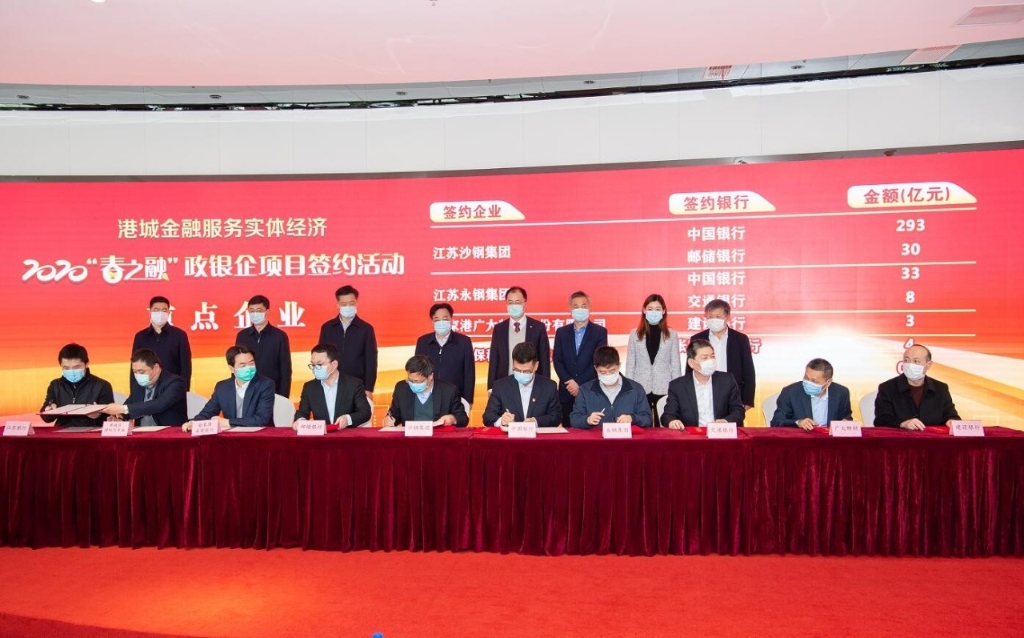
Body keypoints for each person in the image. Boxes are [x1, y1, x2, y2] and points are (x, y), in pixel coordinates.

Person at [182, 345, 275, 432]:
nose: (248, 368)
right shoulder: (222, 387)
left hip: (260, 435)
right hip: (231, 437)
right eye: (243, 365)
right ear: (232, 368)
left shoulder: (265, 385)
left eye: (251, 363)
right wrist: (193, 423)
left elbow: (261, 419)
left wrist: (228, 422)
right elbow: (208, 412)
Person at [688, 299, 756, 411]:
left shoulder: (740, 339)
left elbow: (748, 371)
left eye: (718, 316)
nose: (713, 319)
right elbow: (690, 369)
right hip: (703, 391)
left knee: (732, 422)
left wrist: (747, 400)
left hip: (733, 393)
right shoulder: (697, 338)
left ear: (727, 317)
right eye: (710, 316)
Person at [552, 291, 608, 427]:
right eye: (576, 306)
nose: (580, 309)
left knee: (590, 430)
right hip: (566, 390)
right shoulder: (561, 332)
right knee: (567, 430)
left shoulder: (600, 332)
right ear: (570, 309)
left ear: (590, 308)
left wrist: (579, 384)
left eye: (583, 306)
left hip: (589, 389)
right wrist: (570, 382)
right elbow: (557, 359)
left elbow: (598, 361)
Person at [661, 339, 745, 428]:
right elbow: (667, 415)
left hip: (719, 433)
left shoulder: (727, 380)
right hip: (692, 435)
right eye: (705, 358)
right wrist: (672, 421)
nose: (710, 361)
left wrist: (725, 422)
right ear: (691, 363)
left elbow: (738, 411)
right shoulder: (677, 386)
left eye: (712, 356)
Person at [874, 344, 960, 429]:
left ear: (928, 365)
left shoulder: (940, 388)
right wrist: (903, 423)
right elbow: (881, 419)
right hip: (901, 437)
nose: (910, 365)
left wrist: (951, 421)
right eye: (906, 360)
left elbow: (952, 416)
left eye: (916, 361)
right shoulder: (887, 388)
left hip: (932, 437)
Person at [624, 293, 681, 419]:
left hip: (664, 386)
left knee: (665, 422)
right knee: (643, 423)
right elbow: (630, 364)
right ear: (644, 310)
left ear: (663, 311)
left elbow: (675, 364)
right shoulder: (634, 334)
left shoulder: (672, 334)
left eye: (657, 309)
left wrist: (677, 389)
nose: (653, 312)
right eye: (650, 309)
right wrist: (629, 388)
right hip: (640, 386)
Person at [96, 348, 187, 426]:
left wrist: (123, 409)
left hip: (170, 434)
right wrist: (119, 418)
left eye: (141, 372)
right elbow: (131, 404)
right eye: (135, 372)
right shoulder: (138, 385)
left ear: (156, 368)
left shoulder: (175, 383)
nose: (138, 376)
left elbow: (160, 404)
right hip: (142, 433)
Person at [317, 285, 378, 401]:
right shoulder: (327, 328)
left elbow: (371, 361)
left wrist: (369, 388)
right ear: (338, 304)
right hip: (330, 383)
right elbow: (320, 357)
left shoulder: (366, 329)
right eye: (344, 304)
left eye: (351, 303)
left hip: (357, 385)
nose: (348, 307)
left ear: (356, 303)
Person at [293, 343, 373, 429]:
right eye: (313, 365)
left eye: (319, 364)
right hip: (322, 435)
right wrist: (300, 420)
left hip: (346, 434)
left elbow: (365, 412)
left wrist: (347, 419)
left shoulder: (354, 384)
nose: (315, 368)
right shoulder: (309, 387)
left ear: (334, 364)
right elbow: (302, 412)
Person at [570, 346, 653, 428]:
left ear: (619, 365)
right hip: (597, 436)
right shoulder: (585, 390)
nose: (608, 375)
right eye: (603, 372)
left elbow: (647, 419)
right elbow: (574, 419)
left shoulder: (636, 389)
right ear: (595, 368)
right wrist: (587, 420)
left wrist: (632, 418)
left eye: (612, 371)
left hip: (626, 436)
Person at [483, 343, 562, 427]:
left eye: (526, 371)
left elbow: (556, 417)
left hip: (537, 435)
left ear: (536, 366)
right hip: (510, 435)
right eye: (517, 370)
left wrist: (536, 421)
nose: (521, 374)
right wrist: (501, 420)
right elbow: (488, 417)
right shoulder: (500, 386)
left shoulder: (549, 387)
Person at [487, 286, 550, 391]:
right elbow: (494, 360)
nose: (514, 306)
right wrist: (491, 387)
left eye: (517, 302)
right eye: (510, 303)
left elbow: (544, 360)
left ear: (525, 303)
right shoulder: (499, 329)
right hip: (505, 384)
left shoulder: (538, 328)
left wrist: (545, 386)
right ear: (506, 304)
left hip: (532, 383)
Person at [40, 343, 115, 428]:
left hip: (91, 432)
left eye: (76, 367)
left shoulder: (102, 385)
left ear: (86, 364)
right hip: (62, 432)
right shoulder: (55, 385)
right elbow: (46, 418)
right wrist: (49, 412)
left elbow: (111, 417)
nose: (71, 371)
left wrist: (98, 415)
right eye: (66, 368)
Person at [414, 303, 476, 406]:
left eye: (445, 319)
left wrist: (468, 400)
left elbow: (469, 373)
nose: (441, 323)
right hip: (427, 397)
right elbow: (417, 371)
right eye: (437, 320)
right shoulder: (423, 342)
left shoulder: (464, 342)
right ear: (432, 322)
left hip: (455, 398)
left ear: (451, 320)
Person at [383, 355, 469, 428]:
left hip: (438, 439)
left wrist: (452, 418)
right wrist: (390, 420)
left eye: (418, 381)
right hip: (410, 439)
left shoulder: (448, 391)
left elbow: (463, 418)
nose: (413, 384)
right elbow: (394, 414)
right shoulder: (401, 388)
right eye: (410, 380)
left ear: (430, 376)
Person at [130, 296, 192, 390]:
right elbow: (134, 365)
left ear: (169, 313)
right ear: (150, 312)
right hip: (146, 388)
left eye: (164, 310)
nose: (160, 313)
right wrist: (134, 391)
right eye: (156, 310)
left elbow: (185, 367)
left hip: (172, 387)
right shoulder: (140, 336)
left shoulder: (179, 335)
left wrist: (183, 390)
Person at [235, 294, 292, 397]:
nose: (255, 314)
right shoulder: (242, 336)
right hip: (247, 390)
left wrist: (283, 397)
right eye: (252, 311)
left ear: (267, 311)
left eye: (259, 310)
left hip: (272, 391)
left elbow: (285, 369)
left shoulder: (279, 336)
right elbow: (236, 364)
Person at [770, 358, 852, 429]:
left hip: (830, 440)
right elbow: (776, 422)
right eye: (806, 378)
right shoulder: (790, 392)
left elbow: (847, 418)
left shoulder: (841, 393)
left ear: (828, 382)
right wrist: (798, 423)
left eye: (814, 381)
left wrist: (845, 422)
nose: (808, 383)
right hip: (802, 439)